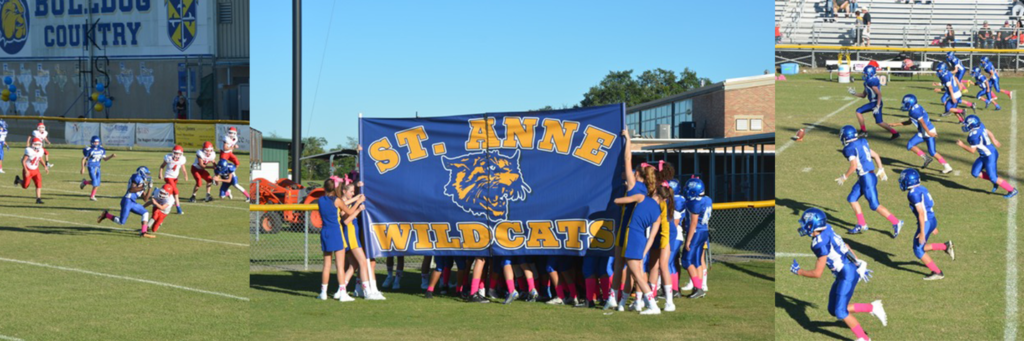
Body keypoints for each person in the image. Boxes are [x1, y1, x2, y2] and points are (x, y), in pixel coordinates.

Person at [791, 208, 887, 341]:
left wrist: (799, 271)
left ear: (812, 225)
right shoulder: (828, 228)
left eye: (805, 223)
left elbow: (817, 273)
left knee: (840, 312)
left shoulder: (818, 244)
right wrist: (857, 262)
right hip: (844, 271)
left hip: (847, 273)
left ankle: (864, 338)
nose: (802, 226)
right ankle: (872, 307)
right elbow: (845, 246)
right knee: (833, 310)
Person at [604, 129, 654, 311]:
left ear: (638, 174)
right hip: (633, 231)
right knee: (628, 268)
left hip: (628, 230)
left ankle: (639, 300)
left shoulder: (634, 186)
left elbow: (627, 159)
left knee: (627, 268)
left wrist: (628, 140)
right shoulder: (643, 189)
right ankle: (621, 300)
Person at [836, 125, 904, 237]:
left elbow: (853, 166)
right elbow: (876, 155)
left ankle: (896, 222)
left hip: (867, 178)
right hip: (866, 177)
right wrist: (881, 169)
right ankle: (862, 224)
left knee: (874, 205)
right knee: (852, 198)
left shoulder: (848, 149)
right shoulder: (862, 141)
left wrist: (844, 176)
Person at [897, 169, 955, 281]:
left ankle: (938, 272)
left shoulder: (913, 194)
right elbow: (928, 207)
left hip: (926, 222)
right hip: (931, 220)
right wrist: (932, 226)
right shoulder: (922, 188)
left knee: (918, 250)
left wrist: (923, 232)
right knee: (921, 247)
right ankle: (945, 246)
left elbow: (921, 212)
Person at [956, 115, 1018, 198]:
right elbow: (988, 132)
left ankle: (1012, 190)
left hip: (990, 156)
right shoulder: (980, 125)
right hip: (984, 155)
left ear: (971, 125)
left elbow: (972, 150)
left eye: (967, 124)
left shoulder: (973, 136)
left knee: (993, 177)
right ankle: (995, 181)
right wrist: (994, 139)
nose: (965, 126)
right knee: (975, 173)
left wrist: (962, 145)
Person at [889, 94, 954, 174]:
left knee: (932, 152)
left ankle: (946, 166)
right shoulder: (915, 108)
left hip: (927, 131)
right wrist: (895, 124)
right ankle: (928, 159)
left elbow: (922, 122)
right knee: (911, 145)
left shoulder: (914, 111)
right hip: (923, 131)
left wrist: (929, 132)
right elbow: (910, 122)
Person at [315, 177, 355, 302]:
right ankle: (343, 294)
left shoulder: (320, 200)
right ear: (337, 188)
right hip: (336, 233)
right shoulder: (337, 200)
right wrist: (358, 205)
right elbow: (349, 211)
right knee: (339, 266)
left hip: (325, 232)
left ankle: (323, 293)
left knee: (326, 265)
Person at [97, 166, 154, 238]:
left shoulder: (142, 183)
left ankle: (143, 232)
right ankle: (106, 215)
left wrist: (150, 188)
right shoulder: (136, 176)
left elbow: (145, 199)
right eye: (146, 173)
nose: (147, 175)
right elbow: (131, 189)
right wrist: (143, 187)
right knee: (121, 222)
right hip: (127, 200)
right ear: (141, 172)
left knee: (145, 213)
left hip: (132, 202)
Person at [848, 66, 900, 140]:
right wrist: (854, 93)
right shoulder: (867, 82)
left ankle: (863, 131)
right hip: (875, 103)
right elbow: (863, 95)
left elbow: (879, 94)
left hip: (875, 102)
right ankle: (895, 133)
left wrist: (878, 105)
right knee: (879, 122)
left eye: (865, 73)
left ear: (870, 73)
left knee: (858, 111)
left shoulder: (872, 81)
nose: (864, 75)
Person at [79, 136, 116, 201]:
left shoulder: (101, 149)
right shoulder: (89, 149)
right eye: (95, 142)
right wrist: (83, 168)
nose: (96, 143)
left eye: (97, 142)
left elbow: (105, 159)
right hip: (91, 167)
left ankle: (85, 182)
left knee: (97, 183)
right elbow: (83, 159)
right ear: (92, 142)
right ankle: (92, 196)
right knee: (95, 182)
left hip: (98, 167)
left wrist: (111, 156)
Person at [13, 138, 48, 204]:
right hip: (28, 169)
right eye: (35, 144)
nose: (37, 145)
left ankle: (38, 199)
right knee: (25, 186)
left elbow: (40, 158)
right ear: (32, 144)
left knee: (39, 184)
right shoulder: (29, 150)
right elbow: (23, 161)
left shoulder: (41, 151)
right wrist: (26, 170)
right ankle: (18, 180)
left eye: (38, 144)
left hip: (36, 170)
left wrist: (45, 166)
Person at [158, 145, 188, 214]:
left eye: (178, 153)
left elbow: (183, 168)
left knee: (170, 192)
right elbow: (162, 166)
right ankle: (178, 208)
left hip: (175, 178)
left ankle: (160, 200)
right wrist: (160, 174)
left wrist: (185, 175)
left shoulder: (182, 159)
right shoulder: (168, 158)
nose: (177, 155)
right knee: (176, 192)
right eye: (176, 153)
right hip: (168, 176)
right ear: (173, 152)